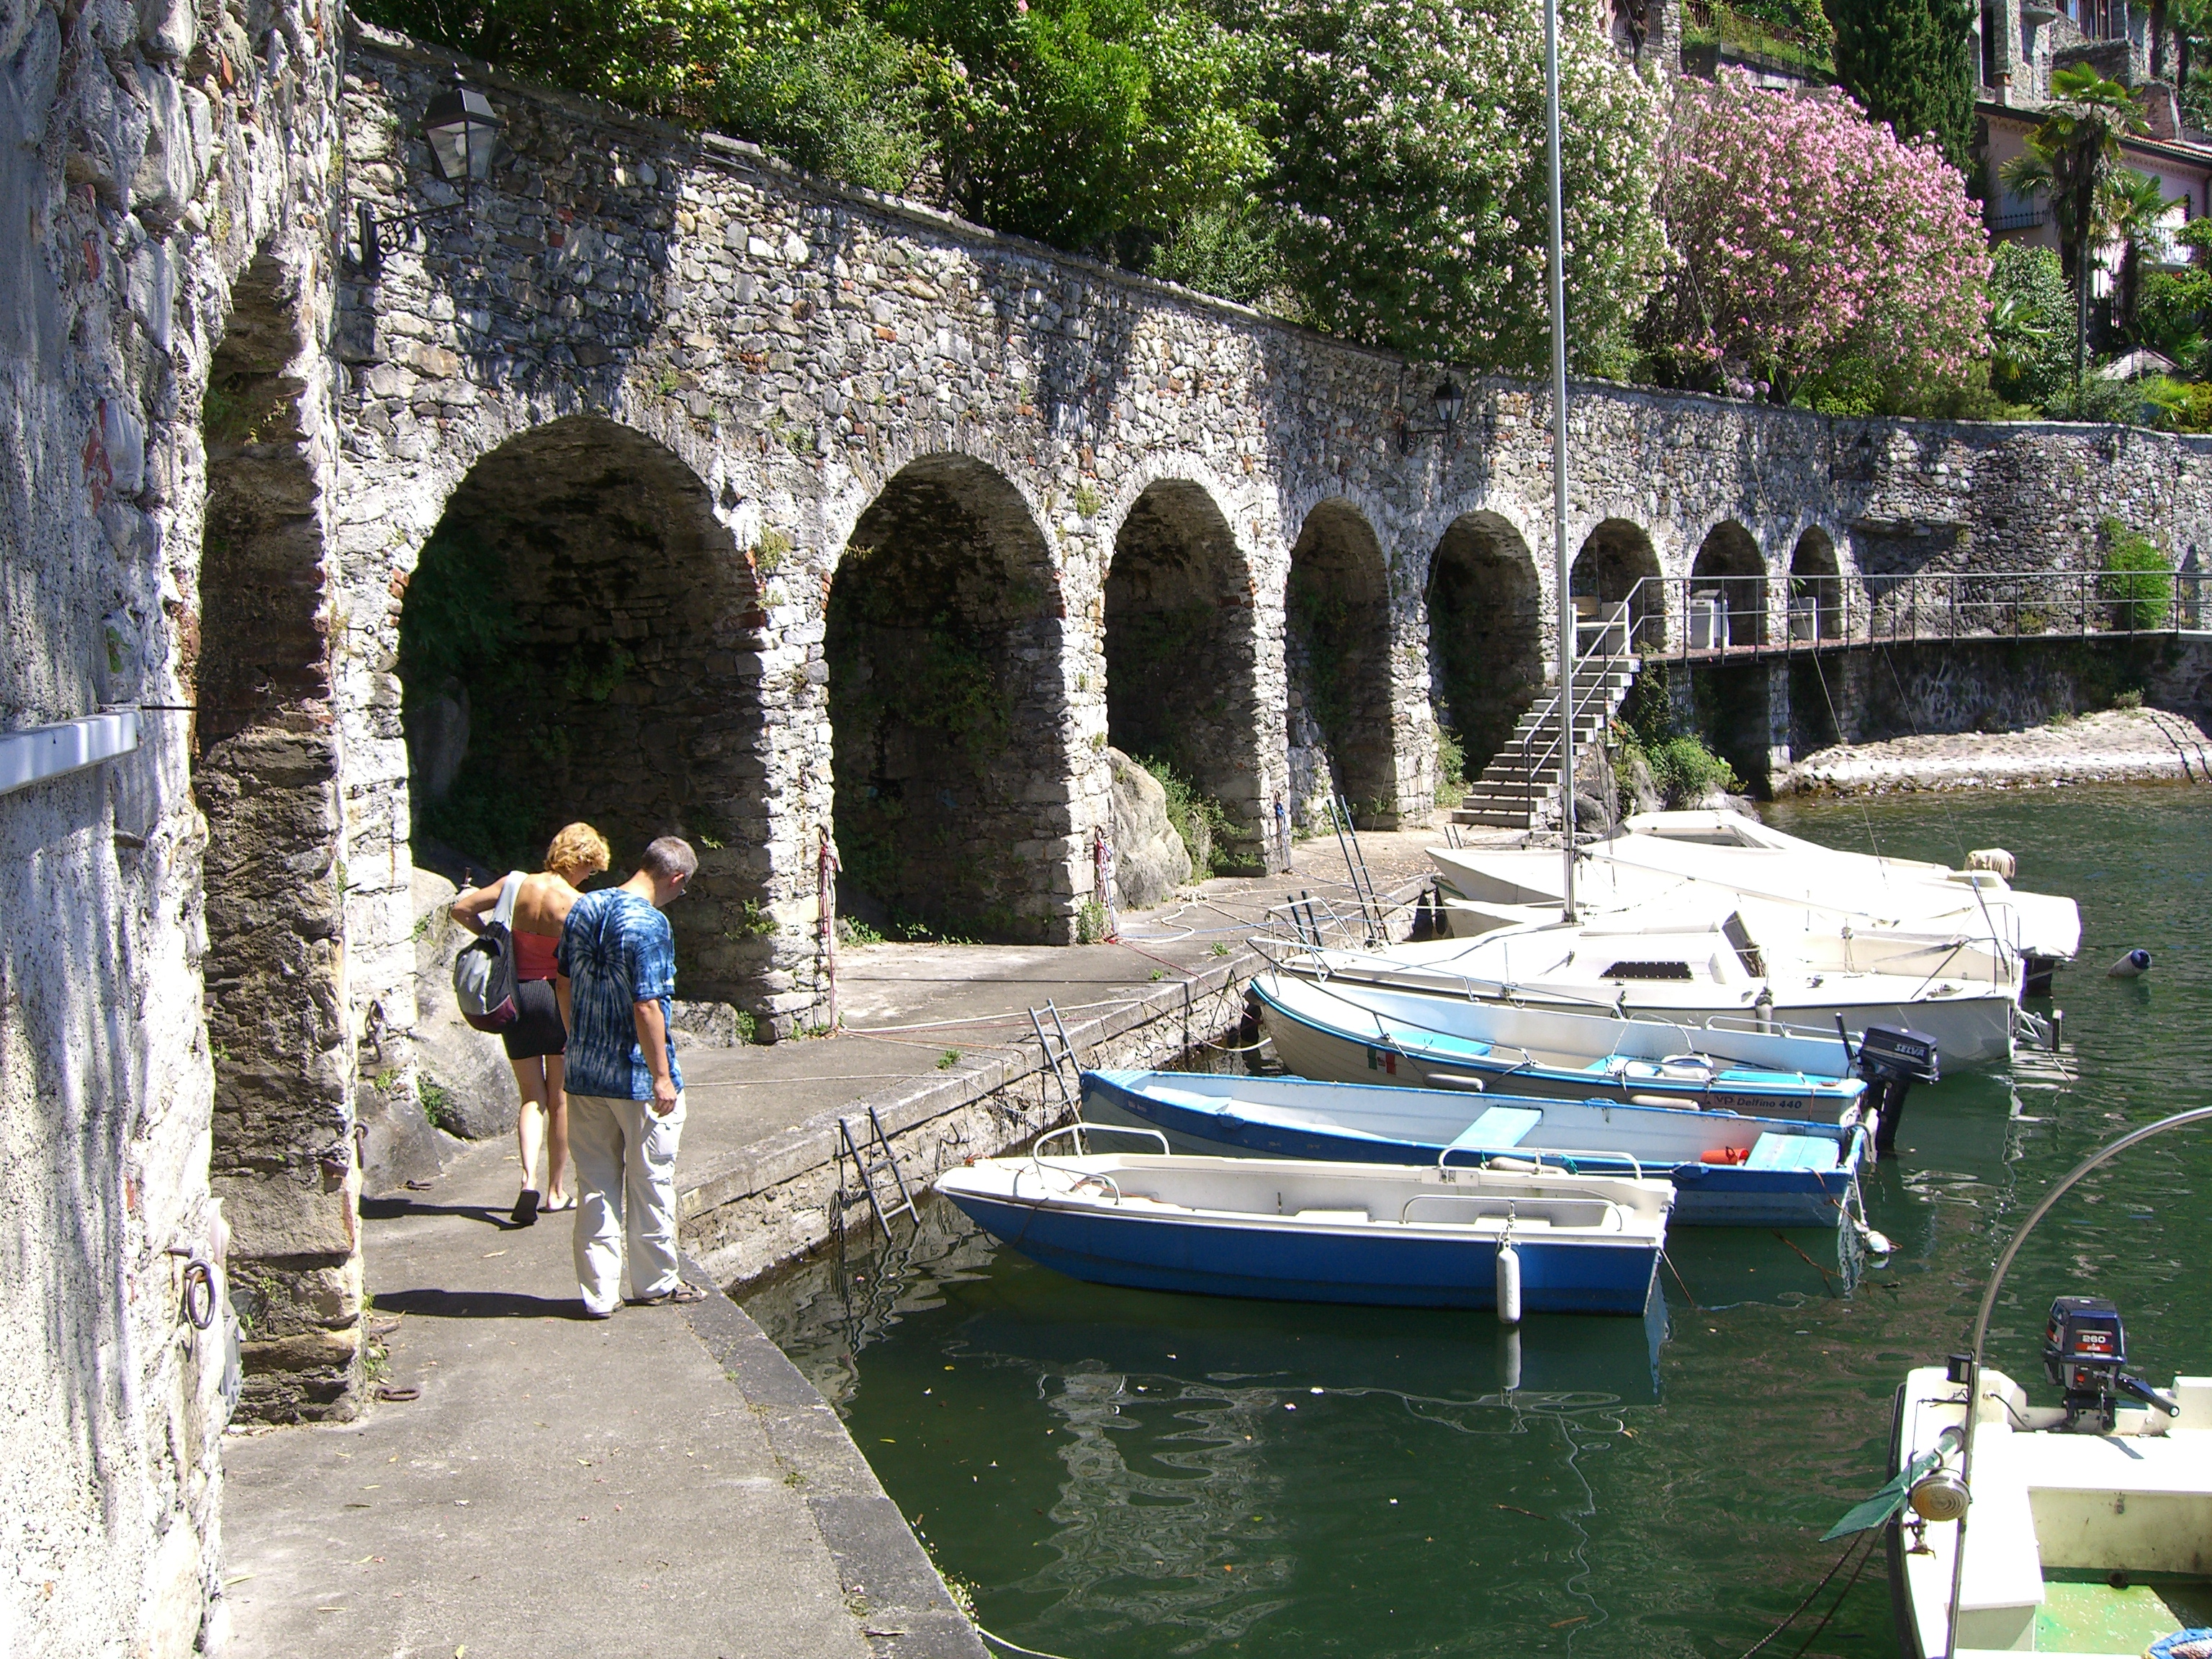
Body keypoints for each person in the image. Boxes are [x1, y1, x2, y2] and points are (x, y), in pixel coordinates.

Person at [555, 835, 705, 1316]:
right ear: (675, 878)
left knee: (594, 1183)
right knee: (650, 1183)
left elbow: (562, 980)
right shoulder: (651, 924)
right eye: (681, 889)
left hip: (583, 1071)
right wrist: (663, 1076)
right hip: (638, 1078)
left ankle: (597, 1295)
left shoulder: (583, 907)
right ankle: (655, 1283)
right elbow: (647, 1005)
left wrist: (574, 1035)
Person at [451, 823, 611, 1226]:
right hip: (555, 999)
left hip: (514, 998)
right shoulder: (577, 904)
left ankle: (527, 1180)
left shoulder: (514, 884)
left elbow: (461, 908)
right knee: (560, 1100)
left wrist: (493, 937)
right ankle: (556, 1192)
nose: (588, 877)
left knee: (530, 1098)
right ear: (579, 861)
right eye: (589, 869)